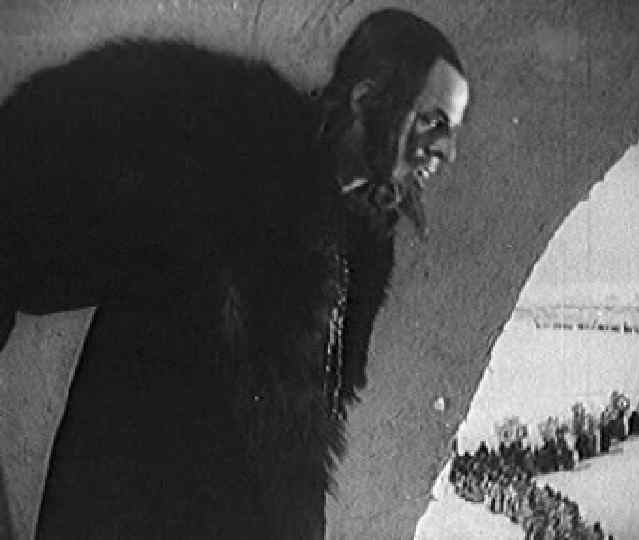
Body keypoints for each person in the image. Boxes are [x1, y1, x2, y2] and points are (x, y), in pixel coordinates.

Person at [0, 9, 469, 539]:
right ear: (366, 98)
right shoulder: (231, 162)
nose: (448, 150)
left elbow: (290, 450)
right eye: (434, 121)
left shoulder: (356, 245)